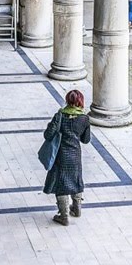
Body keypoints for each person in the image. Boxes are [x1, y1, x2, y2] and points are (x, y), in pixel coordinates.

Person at [43, 89, 91, 226]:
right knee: (76, 180)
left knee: (61, 184)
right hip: (75, 155)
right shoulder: (84, 118)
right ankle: (77, 209)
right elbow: (86, 140)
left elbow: (48, 135)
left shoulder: (60, 115)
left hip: (60, 155)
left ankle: (63, 216)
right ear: (80, 101)